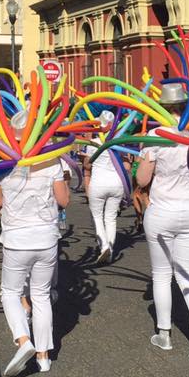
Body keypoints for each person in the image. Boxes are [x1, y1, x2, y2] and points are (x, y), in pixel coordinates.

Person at [136, 83, 189, 359]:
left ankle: (165, 334)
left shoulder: (156, 135)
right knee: (187, 274)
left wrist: (147, 161)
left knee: (162, 275)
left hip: (161, 212)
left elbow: (142, 179)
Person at [0, 109, 70, 377]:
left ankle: (23, 341)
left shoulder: (5, 161)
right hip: (46, 239)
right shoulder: (52, 161)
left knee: (10, 293)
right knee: (41, 295)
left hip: (16, 239)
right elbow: (63, 201)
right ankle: (43, 356)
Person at [82, 110, 123, 264]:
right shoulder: (118, 143)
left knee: (97, 217)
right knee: (111, 218)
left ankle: (104, 246)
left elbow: (87, 165)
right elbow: (125, 165)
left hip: (98, 183)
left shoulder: (93, 143)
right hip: (116, 183)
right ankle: (110, 251)